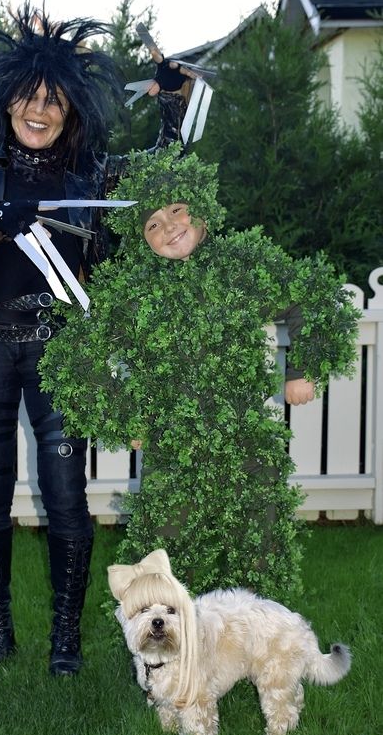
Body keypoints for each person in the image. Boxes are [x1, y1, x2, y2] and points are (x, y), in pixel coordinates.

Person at [0, 4, 194, 675]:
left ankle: (66, 639)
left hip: (63, 352)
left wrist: (171, 103)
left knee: (66, 495)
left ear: (70, 107)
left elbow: (166, 168)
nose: (38, 111)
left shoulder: (91, 173)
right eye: (28, 97)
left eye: (53, 99)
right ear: (8, 99)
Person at [37, 145, 359, 599]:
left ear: (200, 206)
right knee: (167, 556)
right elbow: (73, 357)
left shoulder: (242, 266)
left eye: (176, 210)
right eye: (152, 224)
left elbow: (316, 297)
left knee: (258, 546)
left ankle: (256, 650)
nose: (169, 227)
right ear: (139, 237)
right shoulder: (132, 292)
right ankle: (169, 657)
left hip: (247, 442)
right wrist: (124, 416)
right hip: (172, 451)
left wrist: (302, 370)